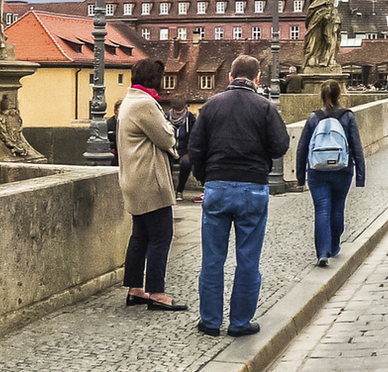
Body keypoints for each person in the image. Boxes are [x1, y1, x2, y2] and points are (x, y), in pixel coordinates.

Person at [188, 55, 291, 337]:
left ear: (230, 78)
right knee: (248, 260)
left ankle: (210, 321)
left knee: (212, 259)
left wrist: (206, 177)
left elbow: (195, 149)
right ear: (257, 79)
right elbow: (280, 146)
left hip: (217, 186)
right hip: (253, 187)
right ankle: (240, 323)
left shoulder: (211, 106)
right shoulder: (264, 108)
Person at [118, 59, 186, 312]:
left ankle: (135, 289)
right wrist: (169, 129)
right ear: (154, 79)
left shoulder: (129, 101)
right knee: (161, 236)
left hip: (134, 178)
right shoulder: (145, 104)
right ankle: (157, 293)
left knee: (141, 235)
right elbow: (167, 137)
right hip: (149, 179)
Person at [296, 80, 366, 269]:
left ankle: (322, 252)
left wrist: (300, 176)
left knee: (322, 209)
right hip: (342, 170)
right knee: (337, 208)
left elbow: (302, 148)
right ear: (339, 95)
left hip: (317, 171)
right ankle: (334, 246)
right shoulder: (347, 117)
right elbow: (356, 147)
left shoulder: (314, 118)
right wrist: (360, 175)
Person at [168, 99, 195, 199]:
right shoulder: (166, 118)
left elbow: (194, 136)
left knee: (186, 162)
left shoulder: (191, 119)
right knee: (165, 162)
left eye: (180, 111)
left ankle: (180, 190)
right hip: (169, 149)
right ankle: (170, 190)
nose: (178, 113)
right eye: (176, 111)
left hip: (185, 150)